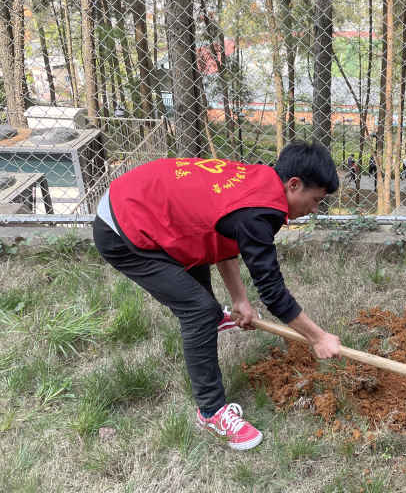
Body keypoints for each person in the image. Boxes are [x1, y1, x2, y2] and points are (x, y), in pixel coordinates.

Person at [92, 143, 343, 449]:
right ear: (293, 184)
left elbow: (223, 237)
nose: (314, 209)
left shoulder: (261, 180)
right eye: (315, 199)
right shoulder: (261, 212)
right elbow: (273, 292)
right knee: (197, 310)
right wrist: (317, 337)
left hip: (145, 205)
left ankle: (213, 316)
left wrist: (240, 300)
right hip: (124, 227)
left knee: (204, 302)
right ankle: (210, 412)